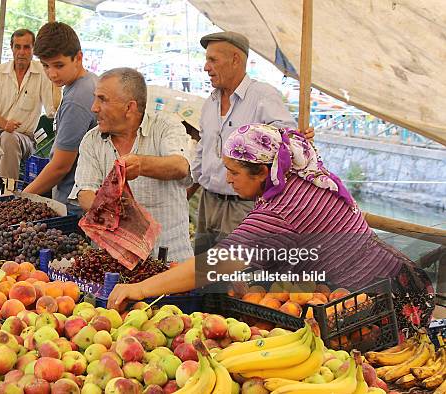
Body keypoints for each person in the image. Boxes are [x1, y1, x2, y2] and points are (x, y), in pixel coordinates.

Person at [108, 123, 434, 336]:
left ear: (263, 171)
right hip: (389, 282)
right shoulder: (300, 178)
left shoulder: (280, 210)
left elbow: (214, 264)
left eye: (234, 172)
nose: (228, 179)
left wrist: (140, 289)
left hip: (375, 308)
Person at [187, 31, 302, 256]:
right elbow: (203, 149)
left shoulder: (263, 97)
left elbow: (289, 145)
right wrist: (189, 190)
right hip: (207, 202)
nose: (206, 67)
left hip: (244, 206)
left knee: (235, 279)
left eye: (212, 60)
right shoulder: (210, 103)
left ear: (235, 60)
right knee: (202, 274)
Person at [70, 67, 194, 261]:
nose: (94, 107)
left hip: (168, 258)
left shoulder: (165, 127)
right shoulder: (92, 140)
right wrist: (111, 209)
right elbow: (84, 192)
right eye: (95, 98)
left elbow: (179, 166)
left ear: (129, 107)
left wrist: (141, 164)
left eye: (102, 99)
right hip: (113, 259)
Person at [23, 22, 97, 217]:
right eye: (46, 66)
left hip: (74, 203)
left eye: (59, 65)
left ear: (78, 58)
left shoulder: (77, 98)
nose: (52, 73)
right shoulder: (89, 83)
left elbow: (61, 165)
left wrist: (23, 197)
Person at [0, 29, 55, 180]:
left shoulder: (43, 72)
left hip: (24, 140)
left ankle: (7, 193)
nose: (21, 52)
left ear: (33, 49)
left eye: (26, 47)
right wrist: (5, 124)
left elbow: (52, 109)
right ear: (12, 48)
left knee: (9, 138)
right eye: (17, 47)